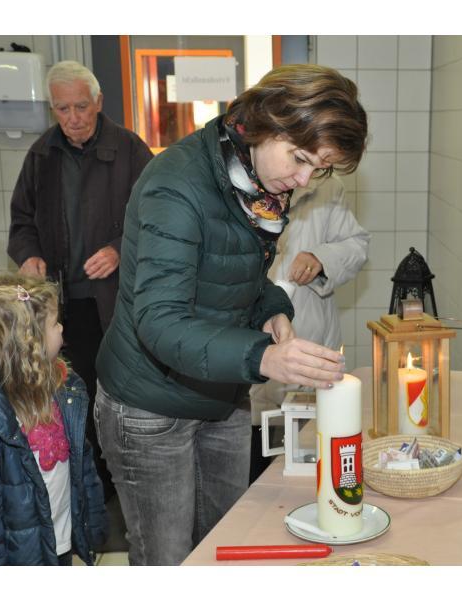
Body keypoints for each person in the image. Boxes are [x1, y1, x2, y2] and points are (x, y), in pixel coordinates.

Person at [94, 64, 368, 565]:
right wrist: (263, 357)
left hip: (221, 393)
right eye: (300, 159)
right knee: (169, 561)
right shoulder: (176, 184)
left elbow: (237, 275)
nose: (304, 180)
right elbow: (160, 322)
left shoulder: (257, 183)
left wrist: (273, 310)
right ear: (266, 122)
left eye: (320, 169)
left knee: (226, 549)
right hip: (150, 404)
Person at [7, 60, 153, 499]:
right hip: (62, 305)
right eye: (62, 108)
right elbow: (21, 221)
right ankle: (87, 486)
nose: (72, 118)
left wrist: (119, 249)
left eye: (81, 107)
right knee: (72, 396)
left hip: (114, 302)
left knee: (119, 393)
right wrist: (29, 255)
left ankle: (122, 485)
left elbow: (157, 217)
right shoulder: (42, 154)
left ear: (99, 102)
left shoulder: (129, 149)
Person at [0, 272, 107, 565]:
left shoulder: (64, 394)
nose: (62, 327)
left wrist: (93, 524)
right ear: (28, 344)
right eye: (54, 323)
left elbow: (82, 468)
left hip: (56, 548)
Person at [248, 174, 370, 482]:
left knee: (308, 471)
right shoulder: (241, 181)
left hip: (309, 338)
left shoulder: (326, 185)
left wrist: (321, 258)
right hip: (248, 348)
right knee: (252, 473)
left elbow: (355, 245)